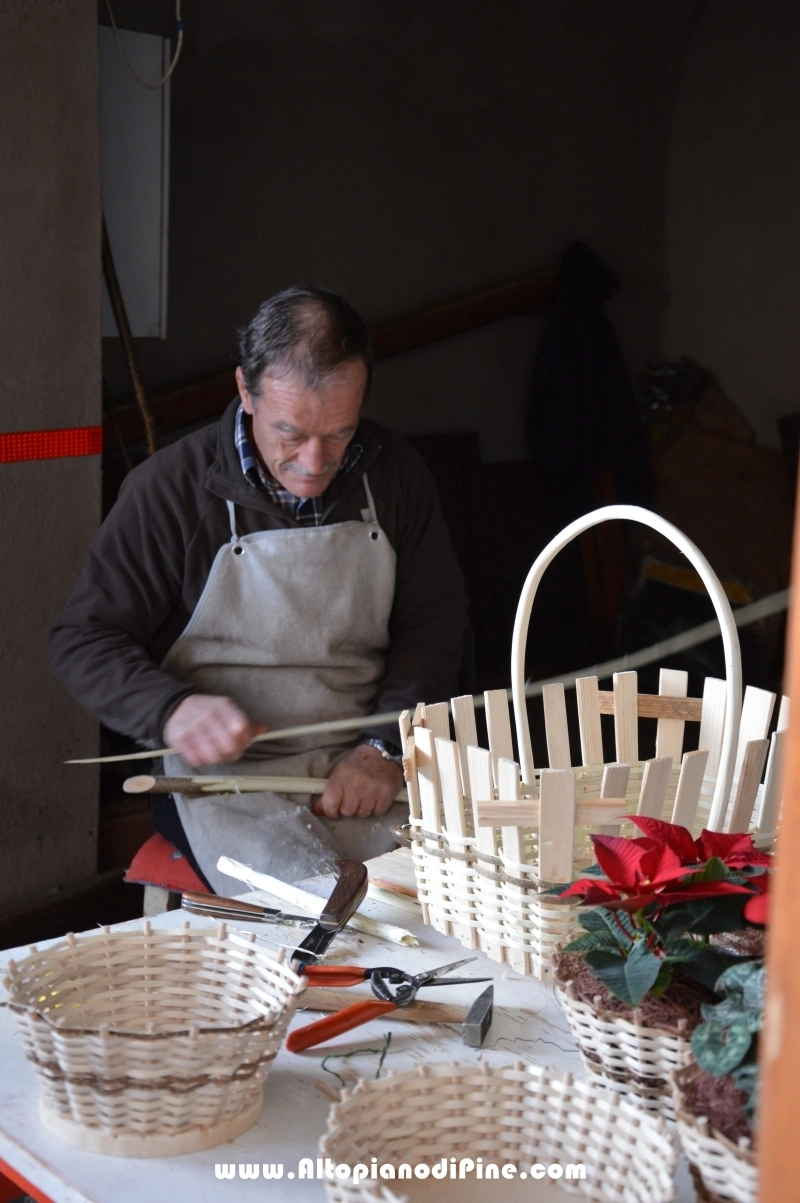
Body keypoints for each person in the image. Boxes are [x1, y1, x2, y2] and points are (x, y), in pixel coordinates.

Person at [51, 287, 468, 891]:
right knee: (312, 906)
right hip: (223, 781)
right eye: (290, 433)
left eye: (339, 433)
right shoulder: (169, 489)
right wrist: (170, 709)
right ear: (245, 391)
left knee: (451, 890)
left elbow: (435, 627)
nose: (314, 462)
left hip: (363, 760)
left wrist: (384, 747)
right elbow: (83, 639)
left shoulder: (395, 475)